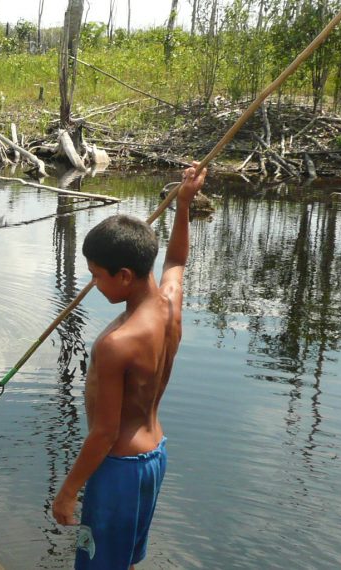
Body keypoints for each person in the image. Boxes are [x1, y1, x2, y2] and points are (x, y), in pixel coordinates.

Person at [51, 163, 208, 569]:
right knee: (124, 561)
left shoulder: (116, 344)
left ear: (124, 275)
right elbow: (176, 260)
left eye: (97, 277)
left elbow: (104, 433)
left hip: (118, 469)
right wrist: (184, 204)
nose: (93, 285)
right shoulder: (170, 304)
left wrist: (69, 490)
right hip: (154, 456)